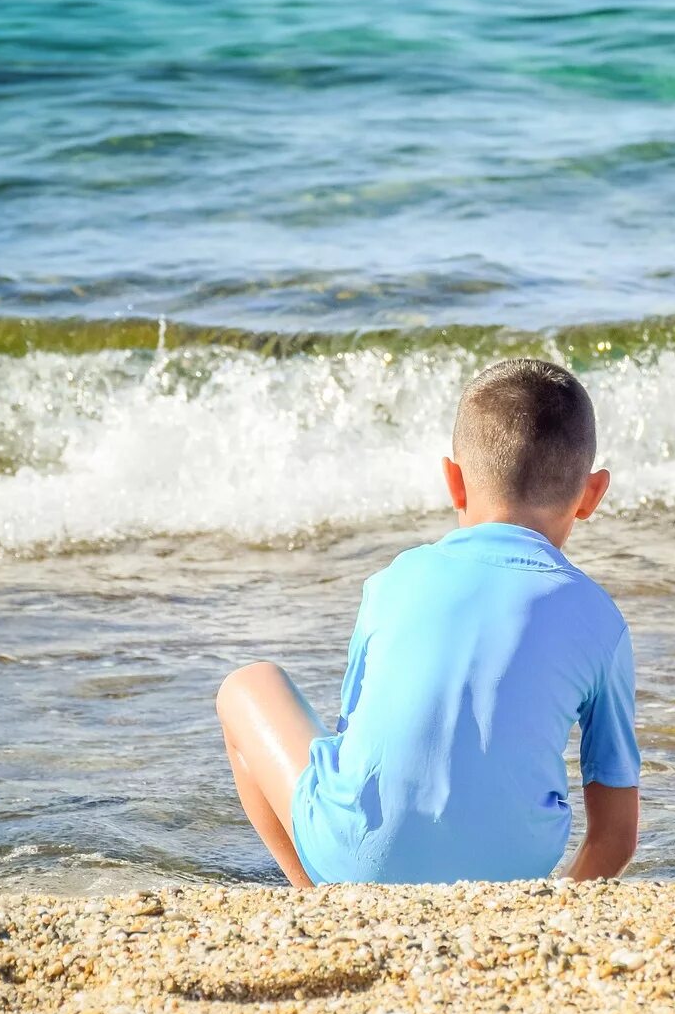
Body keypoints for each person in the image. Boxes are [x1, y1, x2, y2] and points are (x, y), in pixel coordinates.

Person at [216, 358, 640, 886]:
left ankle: (316, 896)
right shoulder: (599, 616)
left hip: (357, 858)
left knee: (246, 685)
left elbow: (354, 746)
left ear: (454, 482)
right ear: (592, 495)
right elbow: (617, 835)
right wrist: (548, 904)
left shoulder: (395, 579)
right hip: (515, 870)